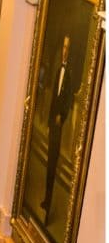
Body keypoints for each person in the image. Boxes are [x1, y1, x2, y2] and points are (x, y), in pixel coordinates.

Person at [42, 33, 76, 216]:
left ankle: (49, 199)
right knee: (49, 161)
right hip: (52, 123)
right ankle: (47, 199)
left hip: (60, 124)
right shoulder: (58, 69)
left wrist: (61, 118)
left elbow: (68, 99)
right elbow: (53, 97)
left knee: (54, 162)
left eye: (67, 48)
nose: (64, 51)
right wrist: (49, 121)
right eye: (63, 47)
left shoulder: (69, 73)